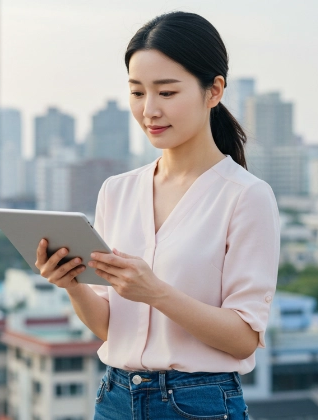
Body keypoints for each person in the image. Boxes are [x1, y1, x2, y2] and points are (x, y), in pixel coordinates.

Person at [34, 11, 280, 420]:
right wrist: (72, 284)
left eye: (166, 93)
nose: (149, 110)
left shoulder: (247, 197)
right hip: (115, 397)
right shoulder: (117, 190)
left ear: (214, 90)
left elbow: (243, 339)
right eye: (137, 92)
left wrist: (155, 292)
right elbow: (110, 326)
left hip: (198, 404)